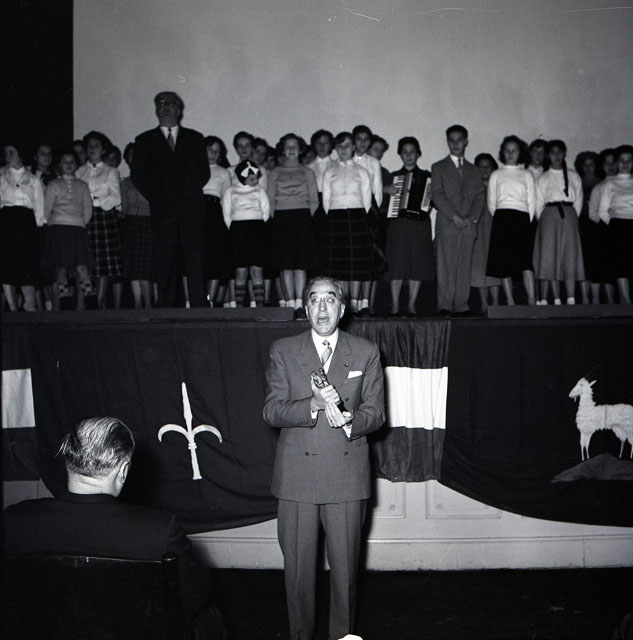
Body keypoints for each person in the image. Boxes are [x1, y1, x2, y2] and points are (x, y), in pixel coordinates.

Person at [4, 416, 226, 638]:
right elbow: (195, 597)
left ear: (68, 462)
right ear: (123, 470)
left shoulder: (15, 520)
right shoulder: (160, 530)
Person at [263, 276, 385, 640]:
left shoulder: (366, 351)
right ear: (304, 308)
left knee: (345, 576)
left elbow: (377, 414)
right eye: (314, 300)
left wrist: (350, 421)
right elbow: (271, 411)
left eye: (330, 299)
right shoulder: (283, 350)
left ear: (342, 309)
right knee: (298, 576)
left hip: (346, 477)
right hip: (297, 478)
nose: (321, 307)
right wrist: (312, 405)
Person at [131, 91, 210, 307]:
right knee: (165, 260)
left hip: (191, 209)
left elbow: (203, 173)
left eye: (171, 103)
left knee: (195, 259)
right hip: (162, 211)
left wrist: (185, 194)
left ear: (179, 110)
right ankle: (166, 308)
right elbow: (138, 175)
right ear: (156, 109)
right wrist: (158, 197)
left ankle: (199, 306)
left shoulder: (195, 138)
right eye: (162, 103)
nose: (166, 107)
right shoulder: (144, 140)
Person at [431, 124, 485, 315]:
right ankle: (445, 306)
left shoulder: (475, 170)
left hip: (468, 226)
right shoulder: (438, 167)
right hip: (448, 224)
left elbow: (479, 197)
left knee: (464, 267)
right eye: (452, 140)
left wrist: (472, 218)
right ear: (447, 142)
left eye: (459, 140)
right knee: (446, 267)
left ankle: (461, 305)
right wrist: (455, 217)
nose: (455, 144)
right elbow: (437, 195)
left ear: (466, 142)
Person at [322, 132, 375, 310]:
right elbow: (326, 201)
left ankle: (355, 304)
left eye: (347, 146)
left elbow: (367, 200)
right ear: (335, 149)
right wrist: (335, 215)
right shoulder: (329, 172)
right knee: (341, 265)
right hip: (336, 219)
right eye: (340, 146)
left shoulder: (362, 171)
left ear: (353, 147)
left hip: (357, 217)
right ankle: (343, 303)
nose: (343, 149)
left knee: (357, 264)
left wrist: (358, 215)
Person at [268, 133, 319, 317]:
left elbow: (314, 201)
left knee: (301, 265)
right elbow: (270, 200)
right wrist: (277, 219)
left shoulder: (307, 172)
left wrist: (303, 218)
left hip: (302, 218)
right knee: (286, 264)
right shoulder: (275, 172)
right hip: (281, 219)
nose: (291, 150)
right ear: (282, 150)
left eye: (295, 146)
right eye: (287, 146)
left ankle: (300, 304)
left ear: (300, 150)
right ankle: (289, 304)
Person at [384, 136, 434, 316]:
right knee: (396, 265)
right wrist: (386, 190)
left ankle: (412, 304)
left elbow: (433, 202)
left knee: (417, 264)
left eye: (412, 152)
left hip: (419, 225)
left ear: (418, 154)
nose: (409, 155)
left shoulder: (428, 176)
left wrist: (430, 198)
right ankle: (395, 304)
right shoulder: (393, 176)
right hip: (399, 224)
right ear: (400, 154)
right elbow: (382, 204)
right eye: (405, 152)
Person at [42, 149, 97, 310]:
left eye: (72, 161)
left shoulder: (83, 185)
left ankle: (91, 302)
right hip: (58, 230)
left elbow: (88, 210)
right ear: (59, 165)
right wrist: (55, 222)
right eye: (65, 161)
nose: (68, 164)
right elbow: (46, 209)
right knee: (61, 267)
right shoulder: (53, 184)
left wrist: (78, 223)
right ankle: (65, 303)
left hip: (77, 230)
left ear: (76, 165)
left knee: (82, 267)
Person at [486, 135, 537, 305]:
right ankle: (510, 300)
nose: (510, 154)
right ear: (502, 153)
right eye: (507, 150)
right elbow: (492, 203)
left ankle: (531, 300)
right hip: (502, 218)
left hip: (522, 219)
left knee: (525, 262)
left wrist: (527, 222)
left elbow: (532, 201)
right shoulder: (496, 174)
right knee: (503, 262)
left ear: (520, 153)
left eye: (514, 150)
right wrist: (501, 218)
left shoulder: (526, 174)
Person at [533, 140, 584, 305]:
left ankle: (570, 297)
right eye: (553, 153)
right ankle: (552, 298)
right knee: (549, 256)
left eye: (559, 152)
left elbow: (579, 201)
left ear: (564, 154)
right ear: (548, 155)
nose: (556, 156)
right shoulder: (543, 178)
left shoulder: (573, 176)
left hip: (569, 216)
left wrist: (571, 217)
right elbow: (538, 203)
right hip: (549, 217)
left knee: (569, 255)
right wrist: (546, 220)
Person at [76, 130, 123, 309]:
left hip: (103, 218)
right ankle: (85, 303)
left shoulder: (110, 171)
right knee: (84, 263)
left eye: (96, 145)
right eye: (89, 146)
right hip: (83, 218)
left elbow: (116, 198)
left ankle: (97, 303)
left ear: (103, 150)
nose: (92, 148)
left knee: (104, 264)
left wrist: (95, 201)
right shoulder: (79, 171)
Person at [1, 142, 46, 312]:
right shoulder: (1, 177)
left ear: (20, 154)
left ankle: (30, 306)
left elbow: (39, 204)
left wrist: (38, 225)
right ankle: (12, 307)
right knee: (7, 262)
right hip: (6, 220)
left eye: (11, 152)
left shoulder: (33, 179)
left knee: (27, 263)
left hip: (26, 222)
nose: (8, 155)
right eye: (5, 152)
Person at [221, 159, 270, 306]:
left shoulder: (260, 191)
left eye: (256, 178)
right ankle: (239, 306)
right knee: (240, 271)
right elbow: (227, 214)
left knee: (257, 269)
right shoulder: (230, 191)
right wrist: (236, 229)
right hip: (239, 232)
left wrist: (257, 225)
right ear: (242, 178)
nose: (256, 181)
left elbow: (266, 211)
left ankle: (259, 305)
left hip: (256, 230)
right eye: (251, 179)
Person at [120, 142, 155, 309]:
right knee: (133, 267)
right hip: (131, 224)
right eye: (131, 156)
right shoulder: (125, 182)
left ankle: (148, 303)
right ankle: (137, 303)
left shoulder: (152, 179)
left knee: (145, 267)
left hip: (148, 223)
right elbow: (124, 208)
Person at [598, 144, 633, 304]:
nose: (625, 164)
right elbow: (602, 211)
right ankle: (626, 301)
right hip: (618, 227)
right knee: (621, 264)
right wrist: (615, 225)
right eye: (622, 160)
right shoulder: (609, 184)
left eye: (629, 160)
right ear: (617, 163)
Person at [202, 135, 232, 307]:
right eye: (209, 150)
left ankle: (210, 301)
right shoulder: (193, 168)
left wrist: (226, 225)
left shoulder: (223, 172)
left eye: (217, 151)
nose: (213, 154)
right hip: (196, 212)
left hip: (214, 214)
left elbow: (226, 200)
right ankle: (192, 301)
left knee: (214, 259)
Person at [471, 153, 501, 311]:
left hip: (495, 229)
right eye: (480, 166)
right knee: (479, 265)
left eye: (487, 166)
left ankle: (495, 302)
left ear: (493, 168)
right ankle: (484, 303)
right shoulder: (471, 189)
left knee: (494, 265)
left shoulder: (498, 188)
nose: (483, 169)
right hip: (478, 231)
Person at [574, 151, 601, 304]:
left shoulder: (602, 183)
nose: (588, 167)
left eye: (591, 164)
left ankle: (596, 298)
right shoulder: (577, 182)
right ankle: (584, 298)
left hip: (598, 226)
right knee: (583, 261)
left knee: (596, 261)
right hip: (581, 225)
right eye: (585, 164)